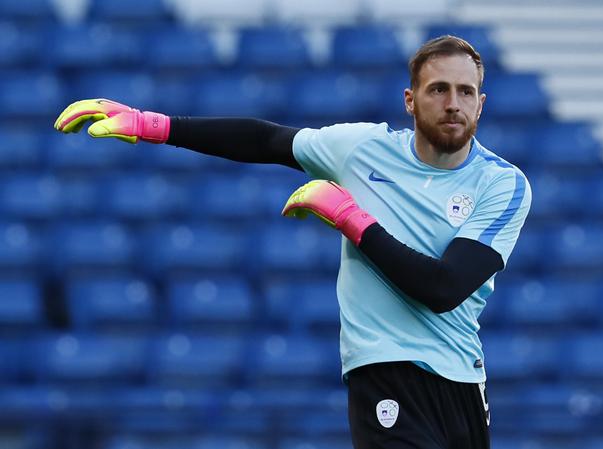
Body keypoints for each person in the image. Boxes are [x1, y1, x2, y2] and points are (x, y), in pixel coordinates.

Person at [54, 35, 531, 449]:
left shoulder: (502, 185)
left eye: (466, 92)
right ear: (410, 100)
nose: (453, 103)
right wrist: (153, 125)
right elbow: (266, 141)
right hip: (386, 368)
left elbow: (444, 289)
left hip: (464, 384)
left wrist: (351, 220)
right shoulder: (362, 149)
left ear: (481, 103)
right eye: (439, 89)